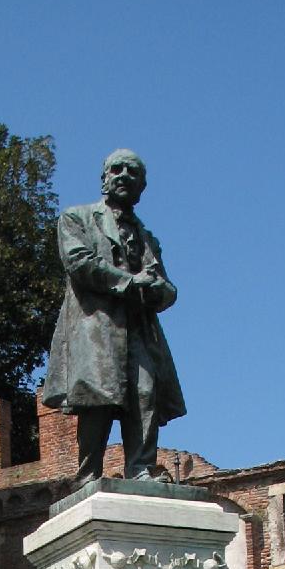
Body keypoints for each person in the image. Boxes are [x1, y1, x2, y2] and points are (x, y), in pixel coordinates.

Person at [42, 149, 186, 483]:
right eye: (116, 169)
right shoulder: (77, 218)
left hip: (139, 328)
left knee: (145, 393)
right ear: (104, 179)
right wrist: (130, 282)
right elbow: (79, 262)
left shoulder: (147, 238)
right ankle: (88, 475)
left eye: (132, 172)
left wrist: (160, 290)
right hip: (96, 325)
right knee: (98, 399)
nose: (124, 175)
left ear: (142, 187)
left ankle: (140, 469)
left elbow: (166, 286)